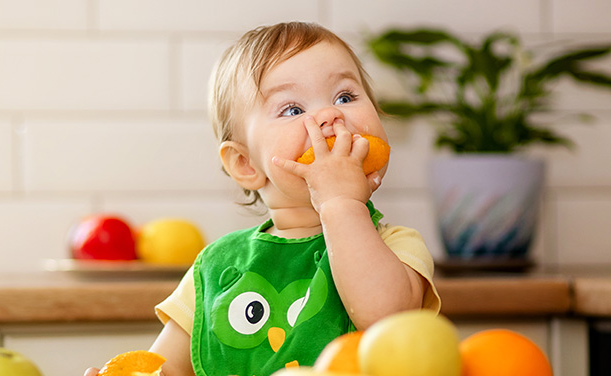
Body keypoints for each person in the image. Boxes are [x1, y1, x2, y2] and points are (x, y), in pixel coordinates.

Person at [85, 21, 440, 376]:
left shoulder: (397, 247)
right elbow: (166, 368)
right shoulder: (215, 267)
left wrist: (340, 204)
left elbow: (387, 322)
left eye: (345, 97)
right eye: (293, 109)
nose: (331, 115)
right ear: (244, 164)